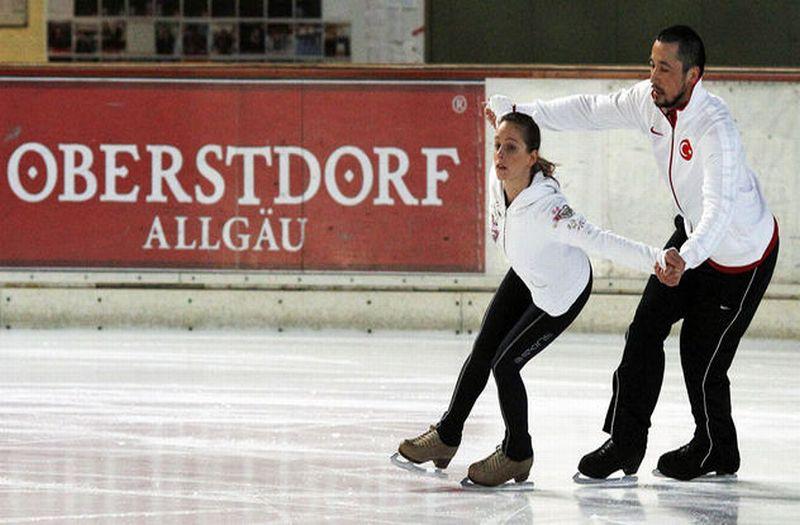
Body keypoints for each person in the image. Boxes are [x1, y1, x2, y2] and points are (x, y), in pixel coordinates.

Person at [494, 25, 779, 482]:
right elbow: (590, 111)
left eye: (665, 68)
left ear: (693, 75)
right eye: (651, 64)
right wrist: (520, 111)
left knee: (701, 356)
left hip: (739, 257)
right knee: (644, 330)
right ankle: (626, 444)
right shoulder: (649, 102)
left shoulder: (715, 128)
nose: (653, 76)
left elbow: (720, 208)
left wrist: (687, 256)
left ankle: (716, 450)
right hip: (689, 240)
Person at [395, 110, 671, 487]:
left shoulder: (550, 208)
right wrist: (503, 107)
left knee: (505, 365)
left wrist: (656, 258)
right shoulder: (500, 183)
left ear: (532, 156)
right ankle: (447, 435)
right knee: (482, 350)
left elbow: (600, 240)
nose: (500, 156)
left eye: (511, 148)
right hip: (527, 275)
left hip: (560, 291)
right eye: (497, 146)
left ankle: (517, 453)